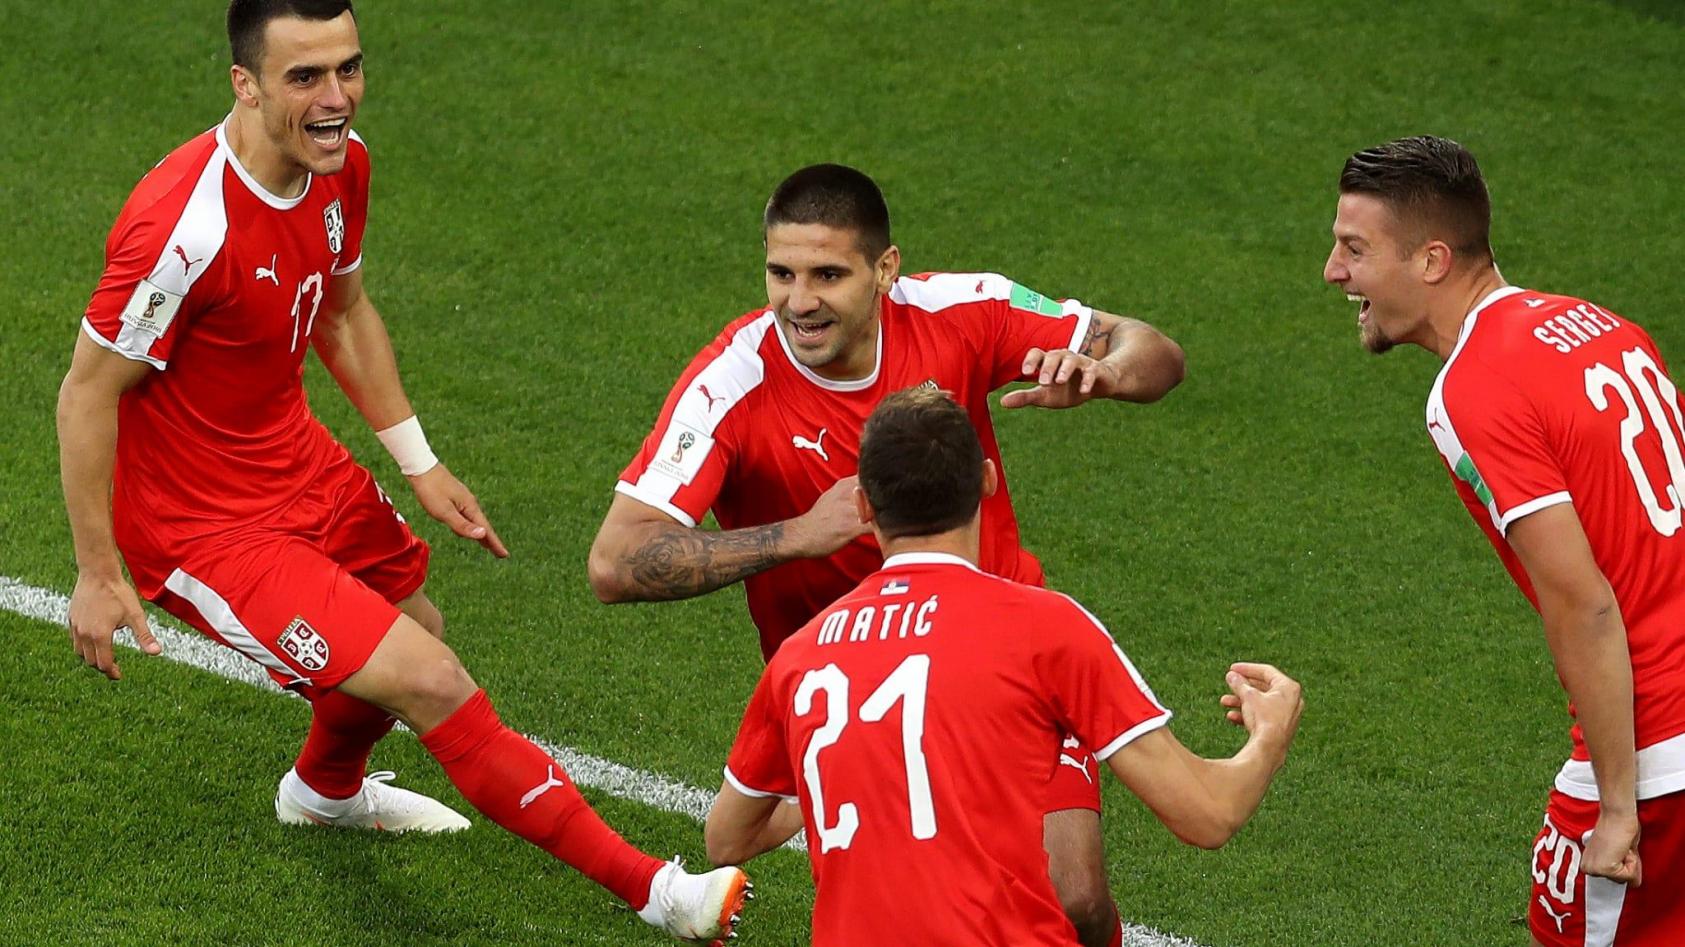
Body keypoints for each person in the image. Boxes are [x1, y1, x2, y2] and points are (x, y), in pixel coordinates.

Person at [57, 1, 746, 939]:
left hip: (294, 461)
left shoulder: (340, 165)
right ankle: (662, 893)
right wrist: (98, 571)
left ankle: (322, 792)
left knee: (415, 624)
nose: (335, 98)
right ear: (244, 85)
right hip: (203, 528)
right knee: (430, 679)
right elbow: (87, 393)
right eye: (305, 77)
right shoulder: (181, 229)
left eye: (348, 68)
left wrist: (419, 462)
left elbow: (342, 311)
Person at [589, 162, 1185, 947]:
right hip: (859, 692)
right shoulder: (732, 381)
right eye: (780, 273)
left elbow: (1155, 352)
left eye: (827, 275)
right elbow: (615, 561)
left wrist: (1104, 372)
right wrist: (800, 533)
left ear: (885, 268)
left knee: (1072, 898)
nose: (799, 301)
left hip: (1000, 657)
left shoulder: (961, 310)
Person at [701, 388, 1302, 945]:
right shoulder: (1045, 628)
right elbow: (1207, 813)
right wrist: (1269, 739)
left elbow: (727, 837)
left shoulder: (801, 654)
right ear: (987, 481)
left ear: (862, 505)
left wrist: (862, 772)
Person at [1324, 135, 1685, 946]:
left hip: (1658, 747)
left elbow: (1583, 604)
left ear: (1431, 260)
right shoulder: (1605, 327)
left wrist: (1617, 808)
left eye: (1354, 248)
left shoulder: (1472, 387)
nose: (1332, 271)